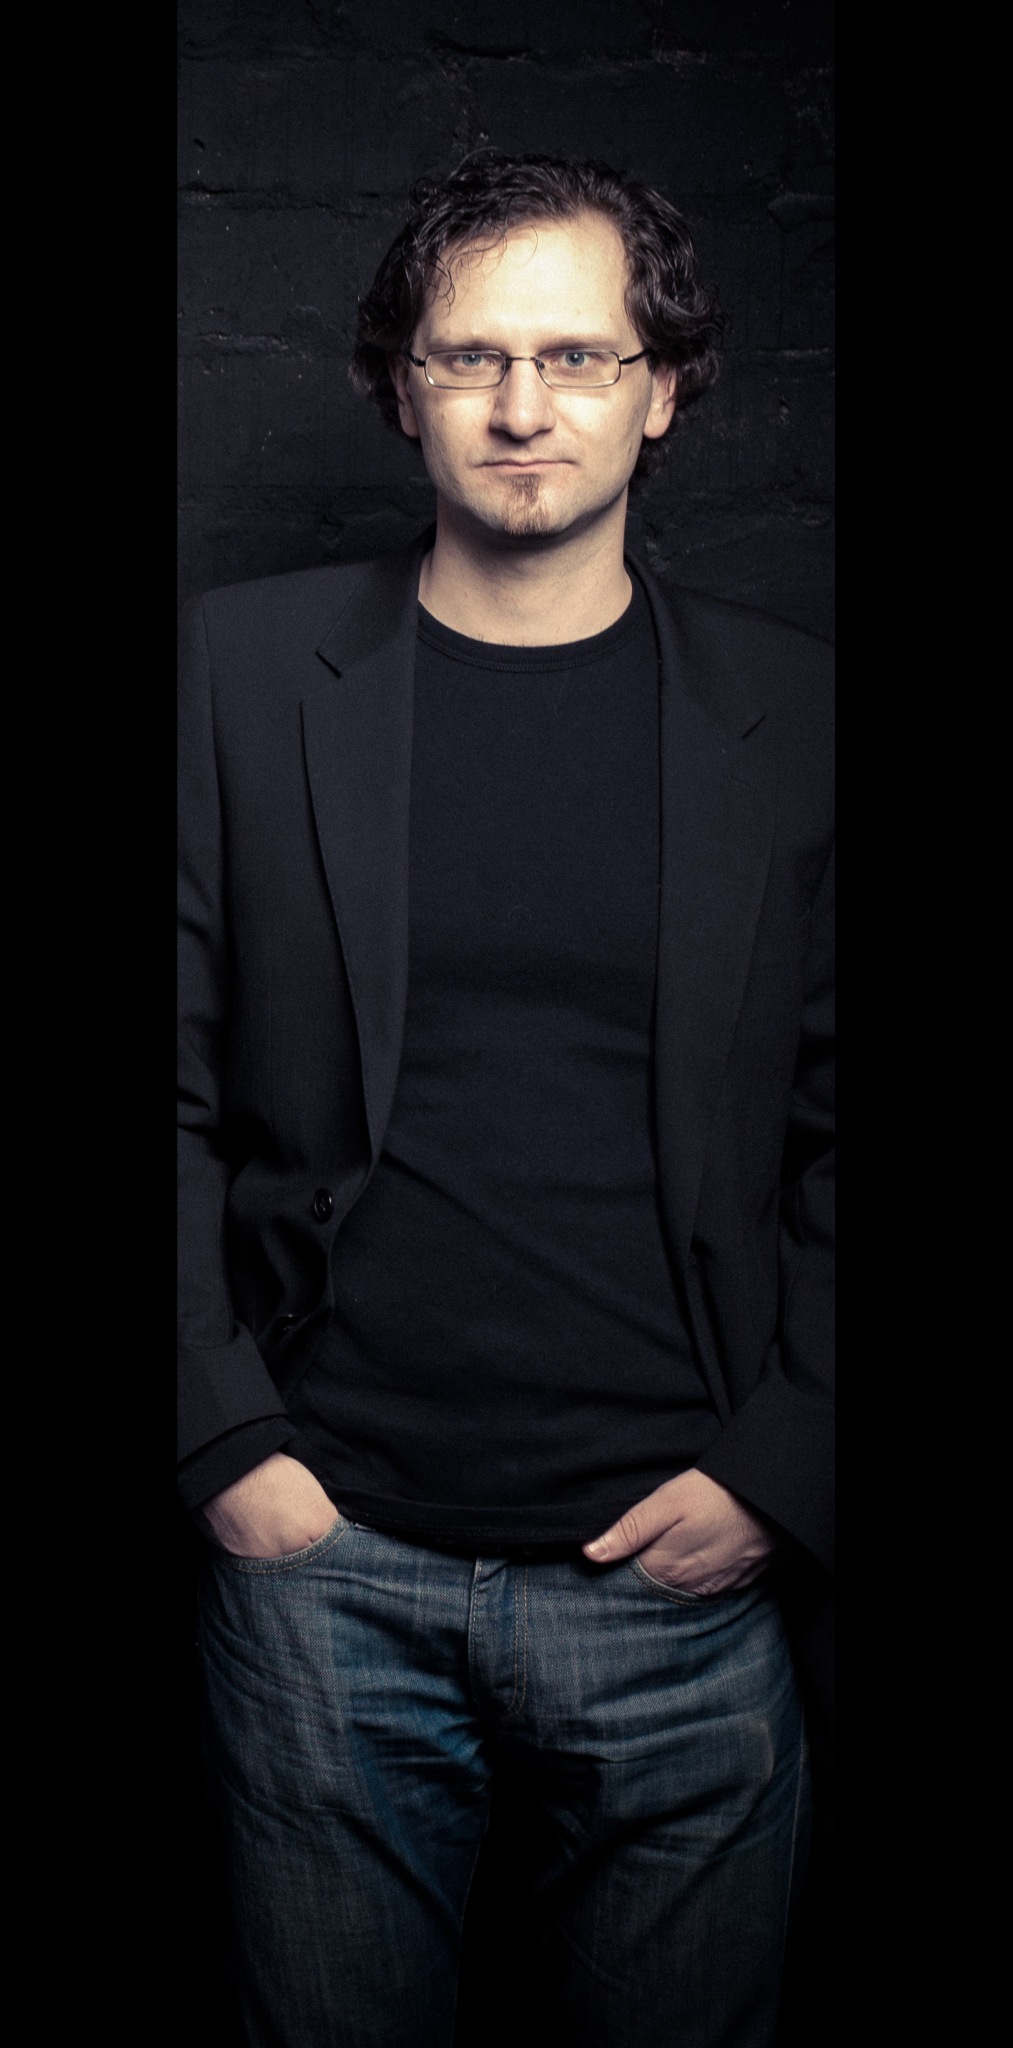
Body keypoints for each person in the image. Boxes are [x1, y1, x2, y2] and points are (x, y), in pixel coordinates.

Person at [178, 152, 834, 2048]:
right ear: (401, 389)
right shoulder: (232, 676)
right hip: (325, 1575)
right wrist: (225, 1450)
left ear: (664, 387)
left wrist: (785, 1468)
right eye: (470, 358)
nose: (523, 408)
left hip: (682, 1585)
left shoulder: (798, 715)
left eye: (577, 356)